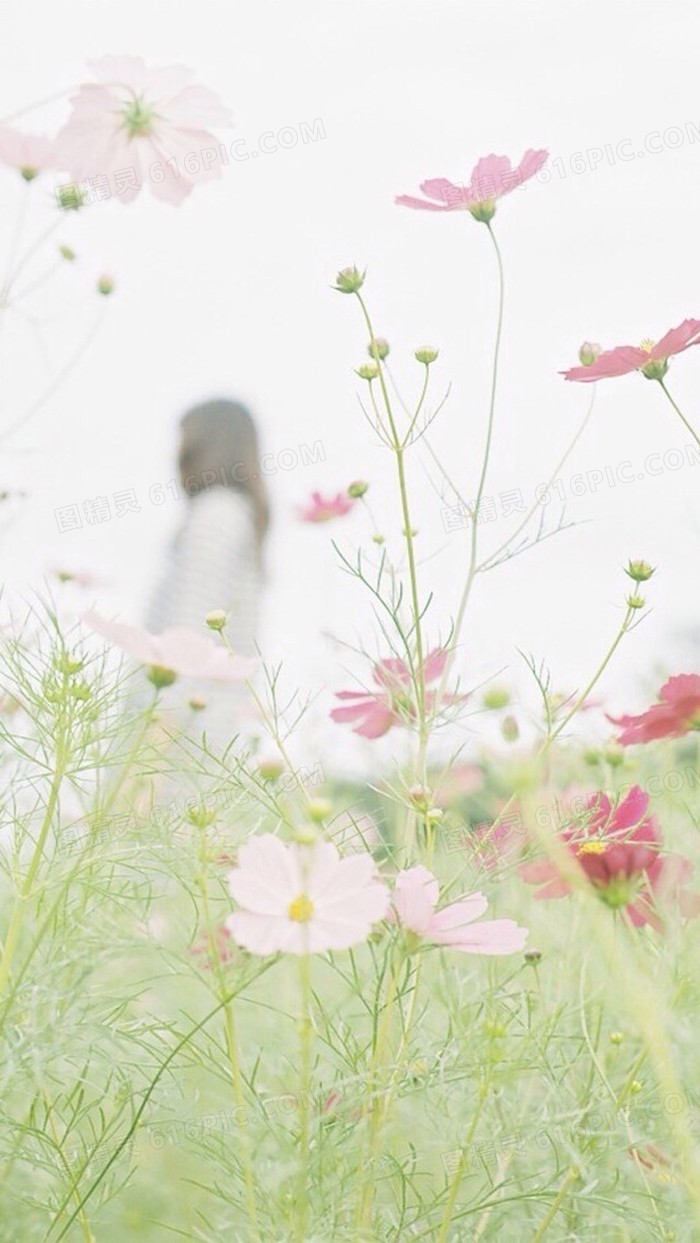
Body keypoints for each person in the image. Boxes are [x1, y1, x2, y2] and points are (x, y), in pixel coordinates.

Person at [146, 399, 269, 742]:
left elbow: (187, 640)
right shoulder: (239, 516)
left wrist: (150, 756)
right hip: (213, 729)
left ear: (206, 445)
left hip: (179, 735)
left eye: (184, 439)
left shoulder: (216, 515)